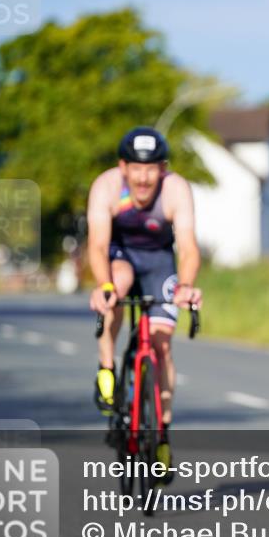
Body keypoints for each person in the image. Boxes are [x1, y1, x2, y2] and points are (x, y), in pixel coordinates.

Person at [86, 126, 202, 475]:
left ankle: (161, 434)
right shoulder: (106, 187)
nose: (143, 177)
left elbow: (189, 247)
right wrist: (103, 284)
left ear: (162, 169)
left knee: (162, 346)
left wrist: (185, 285)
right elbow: (96, 244)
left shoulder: (176, 190)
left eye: (151, 168)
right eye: (136, 168)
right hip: (120, 257)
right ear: (123, 167)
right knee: (115, 289)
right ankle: (107, 368)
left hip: (159, 263)